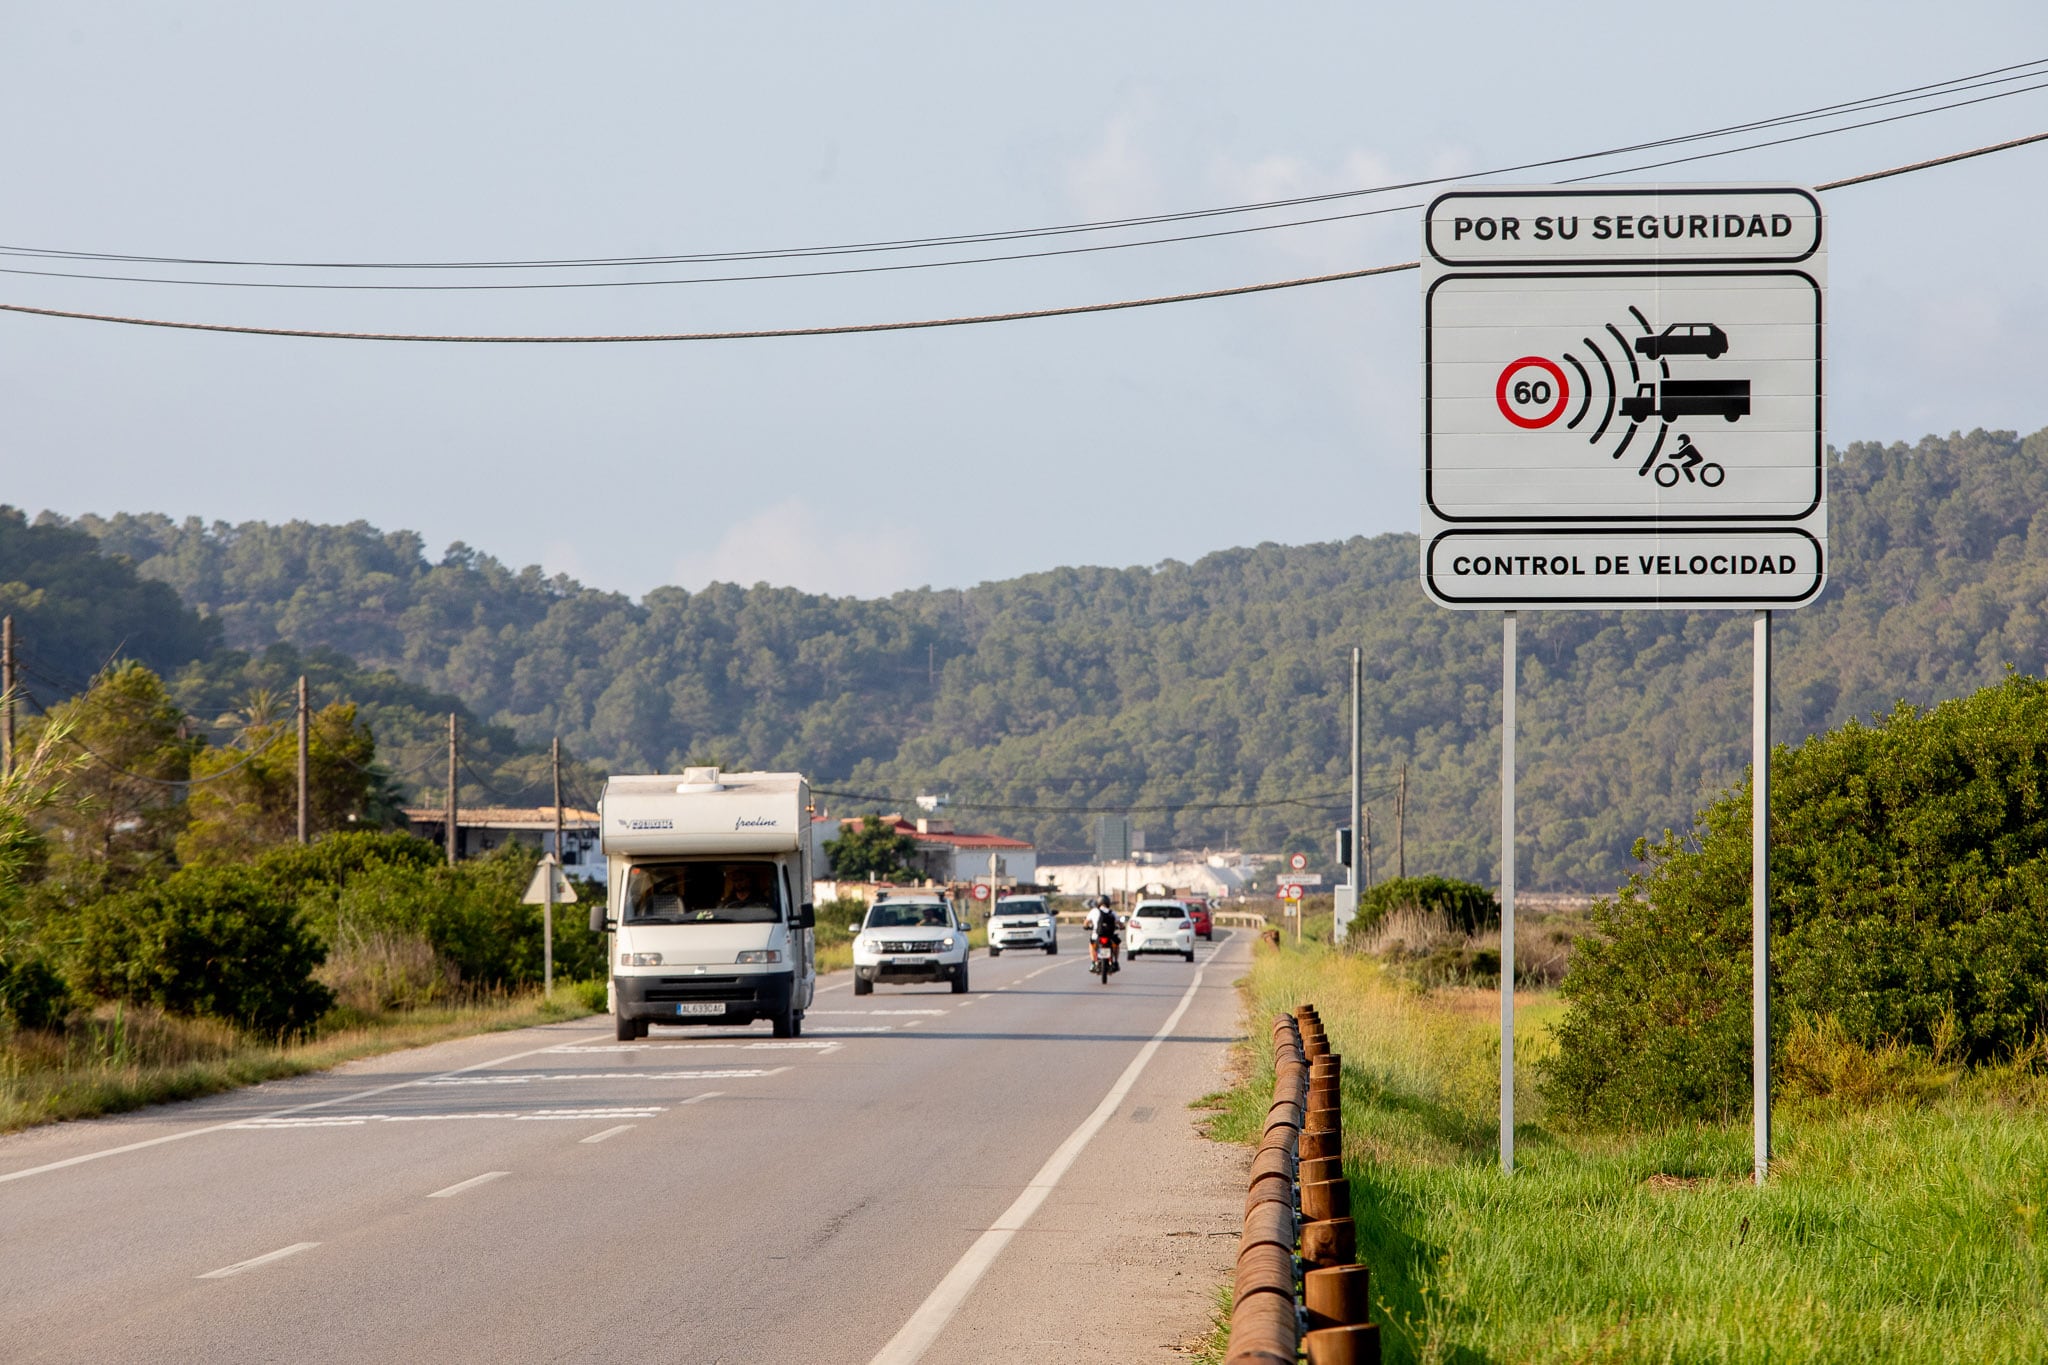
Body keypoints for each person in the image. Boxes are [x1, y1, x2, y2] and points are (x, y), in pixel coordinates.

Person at [1085, 895, 1121, 972]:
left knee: (1091, 945)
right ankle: (1116, 962)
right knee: (1116, 945)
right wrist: (1121, 927)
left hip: (1097, 935)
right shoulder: (1112, 912)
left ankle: (1094, 962)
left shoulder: (1094, 911)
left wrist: (1086, 926)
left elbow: (1086, 923)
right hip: (1110, 936)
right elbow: (1119, 923)